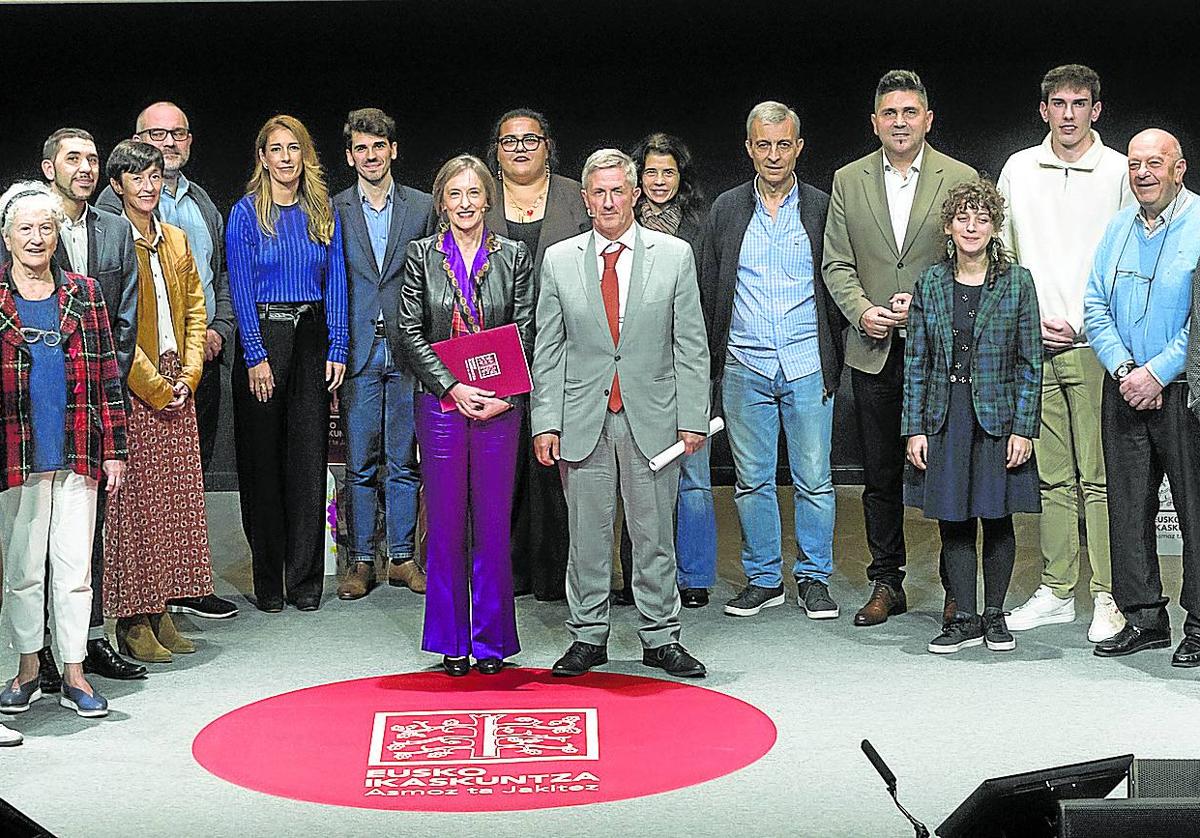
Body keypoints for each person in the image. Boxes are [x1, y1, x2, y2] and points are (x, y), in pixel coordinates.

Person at [533, 148, 710, 679]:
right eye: (598, 193)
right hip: (583, 419)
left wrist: (693, 417)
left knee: (653, 535)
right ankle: (588, 636)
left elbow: (691, 344)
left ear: (634, 194)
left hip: (653, 419)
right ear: (585, 200)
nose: (608, 201)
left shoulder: (675, 255)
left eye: (618, 191)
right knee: (587, 537)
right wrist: (546, 420)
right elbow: (549, 347)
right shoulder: (560, 260)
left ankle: (660, 637)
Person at [824, 70, 976, 626]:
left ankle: (957, 587)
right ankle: (887, 582)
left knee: (946, 471)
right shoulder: (848, 180)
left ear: (927, 119)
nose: (900, 122)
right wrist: (864, 310)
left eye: (910, 112)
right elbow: (836, 263)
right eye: (890, 114)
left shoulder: (959, 177)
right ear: (875, 122)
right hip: (874, 349)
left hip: (941, 356)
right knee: (881, 478)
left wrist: (930, 304)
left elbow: (974, 257)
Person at [0, 129, 145, 686]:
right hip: (21, 456)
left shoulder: (83, 294)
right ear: (8, 238)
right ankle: (26, 669)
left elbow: (109, 378)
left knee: (75, 570)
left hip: (81, 452)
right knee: (22, 571)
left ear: (56, 236)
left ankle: (76, 672)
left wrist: (116, 452)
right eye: (25, 230)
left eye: (45, 229)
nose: (37, 238)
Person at [997, 65, 1134, 642]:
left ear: (1096, 110)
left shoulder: (1121, 171)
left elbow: (1132, 258)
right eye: (1059, 103)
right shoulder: (1019, 169)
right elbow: (1001, 252)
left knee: (1099, 480)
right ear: (1044, 110)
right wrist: (1029, 324)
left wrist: (1089, 325)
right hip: (1037, 347)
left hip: (1097, 346)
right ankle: (1056, 590)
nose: (1070, 113)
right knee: (1052, 479)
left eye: (1081, 103)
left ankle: (1109, 595)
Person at [97, 101, 241, 622]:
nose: (149, 185)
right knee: (135, 508)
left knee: (177, 503)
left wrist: (190, 372)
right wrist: (158, 385)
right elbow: (115, 326)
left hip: (181, 376)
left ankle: (164, 609)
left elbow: (199, 304)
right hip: (137, 385)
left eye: (155, 176)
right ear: (117, 184)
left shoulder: (180, 230)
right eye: (138, 176)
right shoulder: (111, 236)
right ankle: (135, 618)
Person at [701, 102, 845, 621]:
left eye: (783, 144)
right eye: (763, 144)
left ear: (799, 147)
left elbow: (839, 282)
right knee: (752, 480)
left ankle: (813, 578)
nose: (773, 154)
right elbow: (710, 286)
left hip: (807, 360)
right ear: (748, 147)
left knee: (814, 479)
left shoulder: (824, 207)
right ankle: (764, 578)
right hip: (745, 364)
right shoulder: (726, 209)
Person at [394, 154, 532, 675]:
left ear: (488, 199)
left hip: (501, 406)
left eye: (474, 193)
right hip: (441, 404)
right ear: (441, 201)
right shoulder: (420, 255)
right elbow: (410, 331)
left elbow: (527, 326)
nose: (465, 204)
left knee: (493, 524)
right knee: (448, 524)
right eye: (456, 194)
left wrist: (506, 394)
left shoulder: (514, 255)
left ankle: (492, 641)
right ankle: (452, 640)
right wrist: (452, 384)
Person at [904, 179, 1042, 654]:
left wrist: (1024, 428)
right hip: (946, 418)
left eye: (981, 218)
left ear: (994, 226)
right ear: (948, 226)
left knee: (997, 517)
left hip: (998, 420)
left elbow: (1030, 360)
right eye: (962, 217)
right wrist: (915, 428)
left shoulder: (1018, 282)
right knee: (954, 520)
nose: (971, 226)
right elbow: (916, 361)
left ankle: (995, 615)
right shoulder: (931, 283)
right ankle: (962, 616)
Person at [1085, 129, 1200, 665]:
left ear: (1180, 169)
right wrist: (1126, 369)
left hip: (1184, 392)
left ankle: (1199, 625)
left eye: (1156, 163)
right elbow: (1094, 304)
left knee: (1196, 512)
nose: (1144, 173)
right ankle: (1145, 619)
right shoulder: (1117, 228)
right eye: (1134, 164)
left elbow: (1199, 323)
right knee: (1127, 509)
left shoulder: (1198, 222)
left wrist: (1155, 373)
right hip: (1124, 386)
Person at [227, 114, 348, 613]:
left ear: (305, 156)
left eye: (293, 148)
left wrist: (337, 346)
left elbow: (336, 279)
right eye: (275, 148)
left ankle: (304, 581)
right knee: (263, 463)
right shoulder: (245, 213)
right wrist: (255, 354)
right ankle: (269, 582)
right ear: (263, 157)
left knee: (306, 460)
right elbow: (239, 285)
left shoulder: (322, 211)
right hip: (265, 334)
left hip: (312, 336)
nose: (284, 157)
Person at [485, 107, 591, 602]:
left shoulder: (577, 195)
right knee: (502, 467)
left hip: (565, 350)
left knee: (554, 466)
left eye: (530, 139)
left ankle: (553, 576)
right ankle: (507, 574)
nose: (520, 148)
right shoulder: (477, 194)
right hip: (491, 357)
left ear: (547, 145)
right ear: (497, 150)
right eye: (509, 141)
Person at [614, 132, 715, 609]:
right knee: (637, 478)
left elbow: (710, 296)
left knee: (692, 479)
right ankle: (638, 579)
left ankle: (693, 576)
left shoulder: (700, 225)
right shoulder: (617, 229)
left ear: (681, 177)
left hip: (684, 367)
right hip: (635, 374)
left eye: (668, 172)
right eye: (650, 172)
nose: (658, 181)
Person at [334, 107, 431, 601]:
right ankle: (360, 560)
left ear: (393, 149)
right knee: (359, 462)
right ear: (350, 156)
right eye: (361, 148)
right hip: (357, 353)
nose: (370, 156)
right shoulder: (333, 210)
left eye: (379, 146)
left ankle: (402, 557)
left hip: (409, 350)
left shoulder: (423, 206)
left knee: (403, 461)